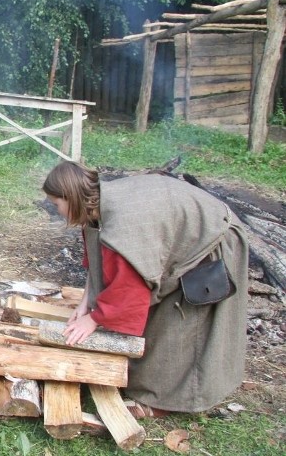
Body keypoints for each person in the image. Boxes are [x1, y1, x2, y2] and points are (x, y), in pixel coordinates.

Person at [42, 161, 248, 417]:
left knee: (182, 327)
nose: (56, 210)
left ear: (71, 197)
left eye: (56, 204)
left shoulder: (124, 227)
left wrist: (94, 319)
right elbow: (99, 259)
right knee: (160, 323)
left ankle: (169, 400)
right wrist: (86, 301)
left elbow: (129, 289)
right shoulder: (98, 204)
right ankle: (149, 382)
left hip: (211, 240)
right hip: (184, 231)